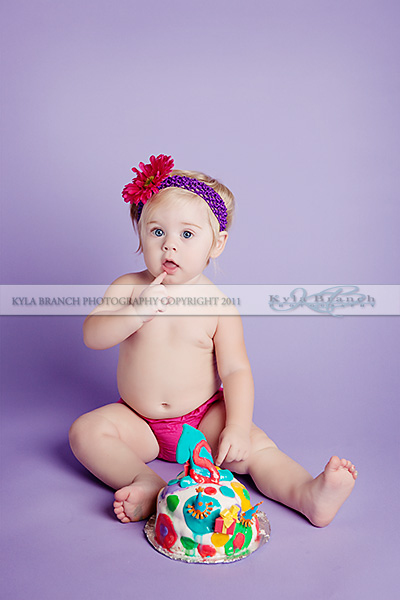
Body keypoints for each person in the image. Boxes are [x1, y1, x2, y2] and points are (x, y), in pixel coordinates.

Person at [69, 154, 357, 527]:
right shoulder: (128, 288)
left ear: (216, 244)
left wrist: (236, 425)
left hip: (202, 420)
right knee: (86, 432)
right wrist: (134, 313)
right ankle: (149, 485)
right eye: (157, 232)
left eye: (187, 235)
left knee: (255, 447)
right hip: (139, 421)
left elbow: (235, 371)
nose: (169, 246)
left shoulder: (218, 307)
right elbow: (92, 334)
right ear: (140, 233)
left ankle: (307, 494)